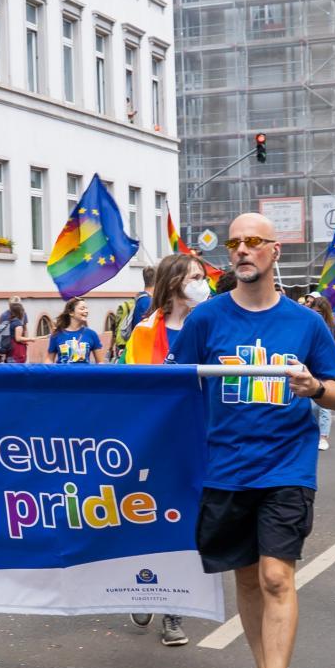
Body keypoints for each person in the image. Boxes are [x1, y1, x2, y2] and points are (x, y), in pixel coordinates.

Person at [165, 213, 335, 668]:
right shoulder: (206, 320)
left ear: (274, 252)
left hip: (287, 465)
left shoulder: (305, 323)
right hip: (224, 468)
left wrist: (314, 387)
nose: (242, 251)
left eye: (253, 242)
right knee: (246, 579)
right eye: (234, 243)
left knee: (275, 577)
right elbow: (178, 388)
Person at [123, 253, 208, 647]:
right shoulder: (144, 331)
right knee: (149, 519)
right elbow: (132, 389)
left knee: (187, 523)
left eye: (202, 277)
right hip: (156, 442)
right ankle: (143, 587)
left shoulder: (211, 326)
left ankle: (174, 611)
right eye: (194, 276)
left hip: (198, 438)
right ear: (174, 282)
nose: (201, 283)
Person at [302, 294, 335, 451]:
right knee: (312, 406)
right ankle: (314, 432)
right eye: (314, 310)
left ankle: (323, 436)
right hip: (311, 368)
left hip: (328, 369)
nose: (316, 314)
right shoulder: (307, 324)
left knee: (325, 403)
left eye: (319, 312)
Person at [42, 298, 104, 364]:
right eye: (82, 309)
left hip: (84, 374)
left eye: (86, 308)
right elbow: (49, 359)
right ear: (71, 313)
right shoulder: (56, 334)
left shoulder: (92, 334)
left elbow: (100, 362)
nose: (86, 311)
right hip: (62, 374)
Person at [0, 298, 27, 364]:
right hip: (10, 349)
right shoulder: (5, 316)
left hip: (18, 349)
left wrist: (25, 342)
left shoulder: (23, 314)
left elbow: (25, 329)